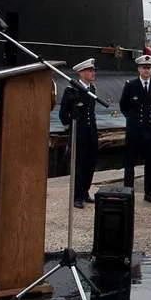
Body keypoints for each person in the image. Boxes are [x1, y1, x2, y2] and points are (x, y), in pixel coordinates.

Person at [119, 54, 151, 203]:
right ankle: (127, 192)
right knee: (129, 162)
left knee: (150, 163)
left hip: (150, 129)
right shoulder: (131, 85)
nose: (146, 70)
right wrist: (133, 120)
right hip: (135, 130)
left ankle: (149, 193)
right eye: (144, 68)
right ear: (139, 69)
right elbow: (123, 106)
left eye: (149, 68)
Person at [60, 58, 99, 208]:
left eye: (93, 71)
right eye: (90, 71)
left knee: (90, 163)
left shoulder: (92, 89)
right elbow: (63, 114)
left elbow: (91, 112)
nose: (93, 73)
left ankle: (85, 192)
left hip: (91, 132)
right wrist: (71, 127)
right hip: (79, 132)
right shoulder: (72, 90)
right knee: (79, 165)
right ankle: (77, 196)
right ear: (81, 73)